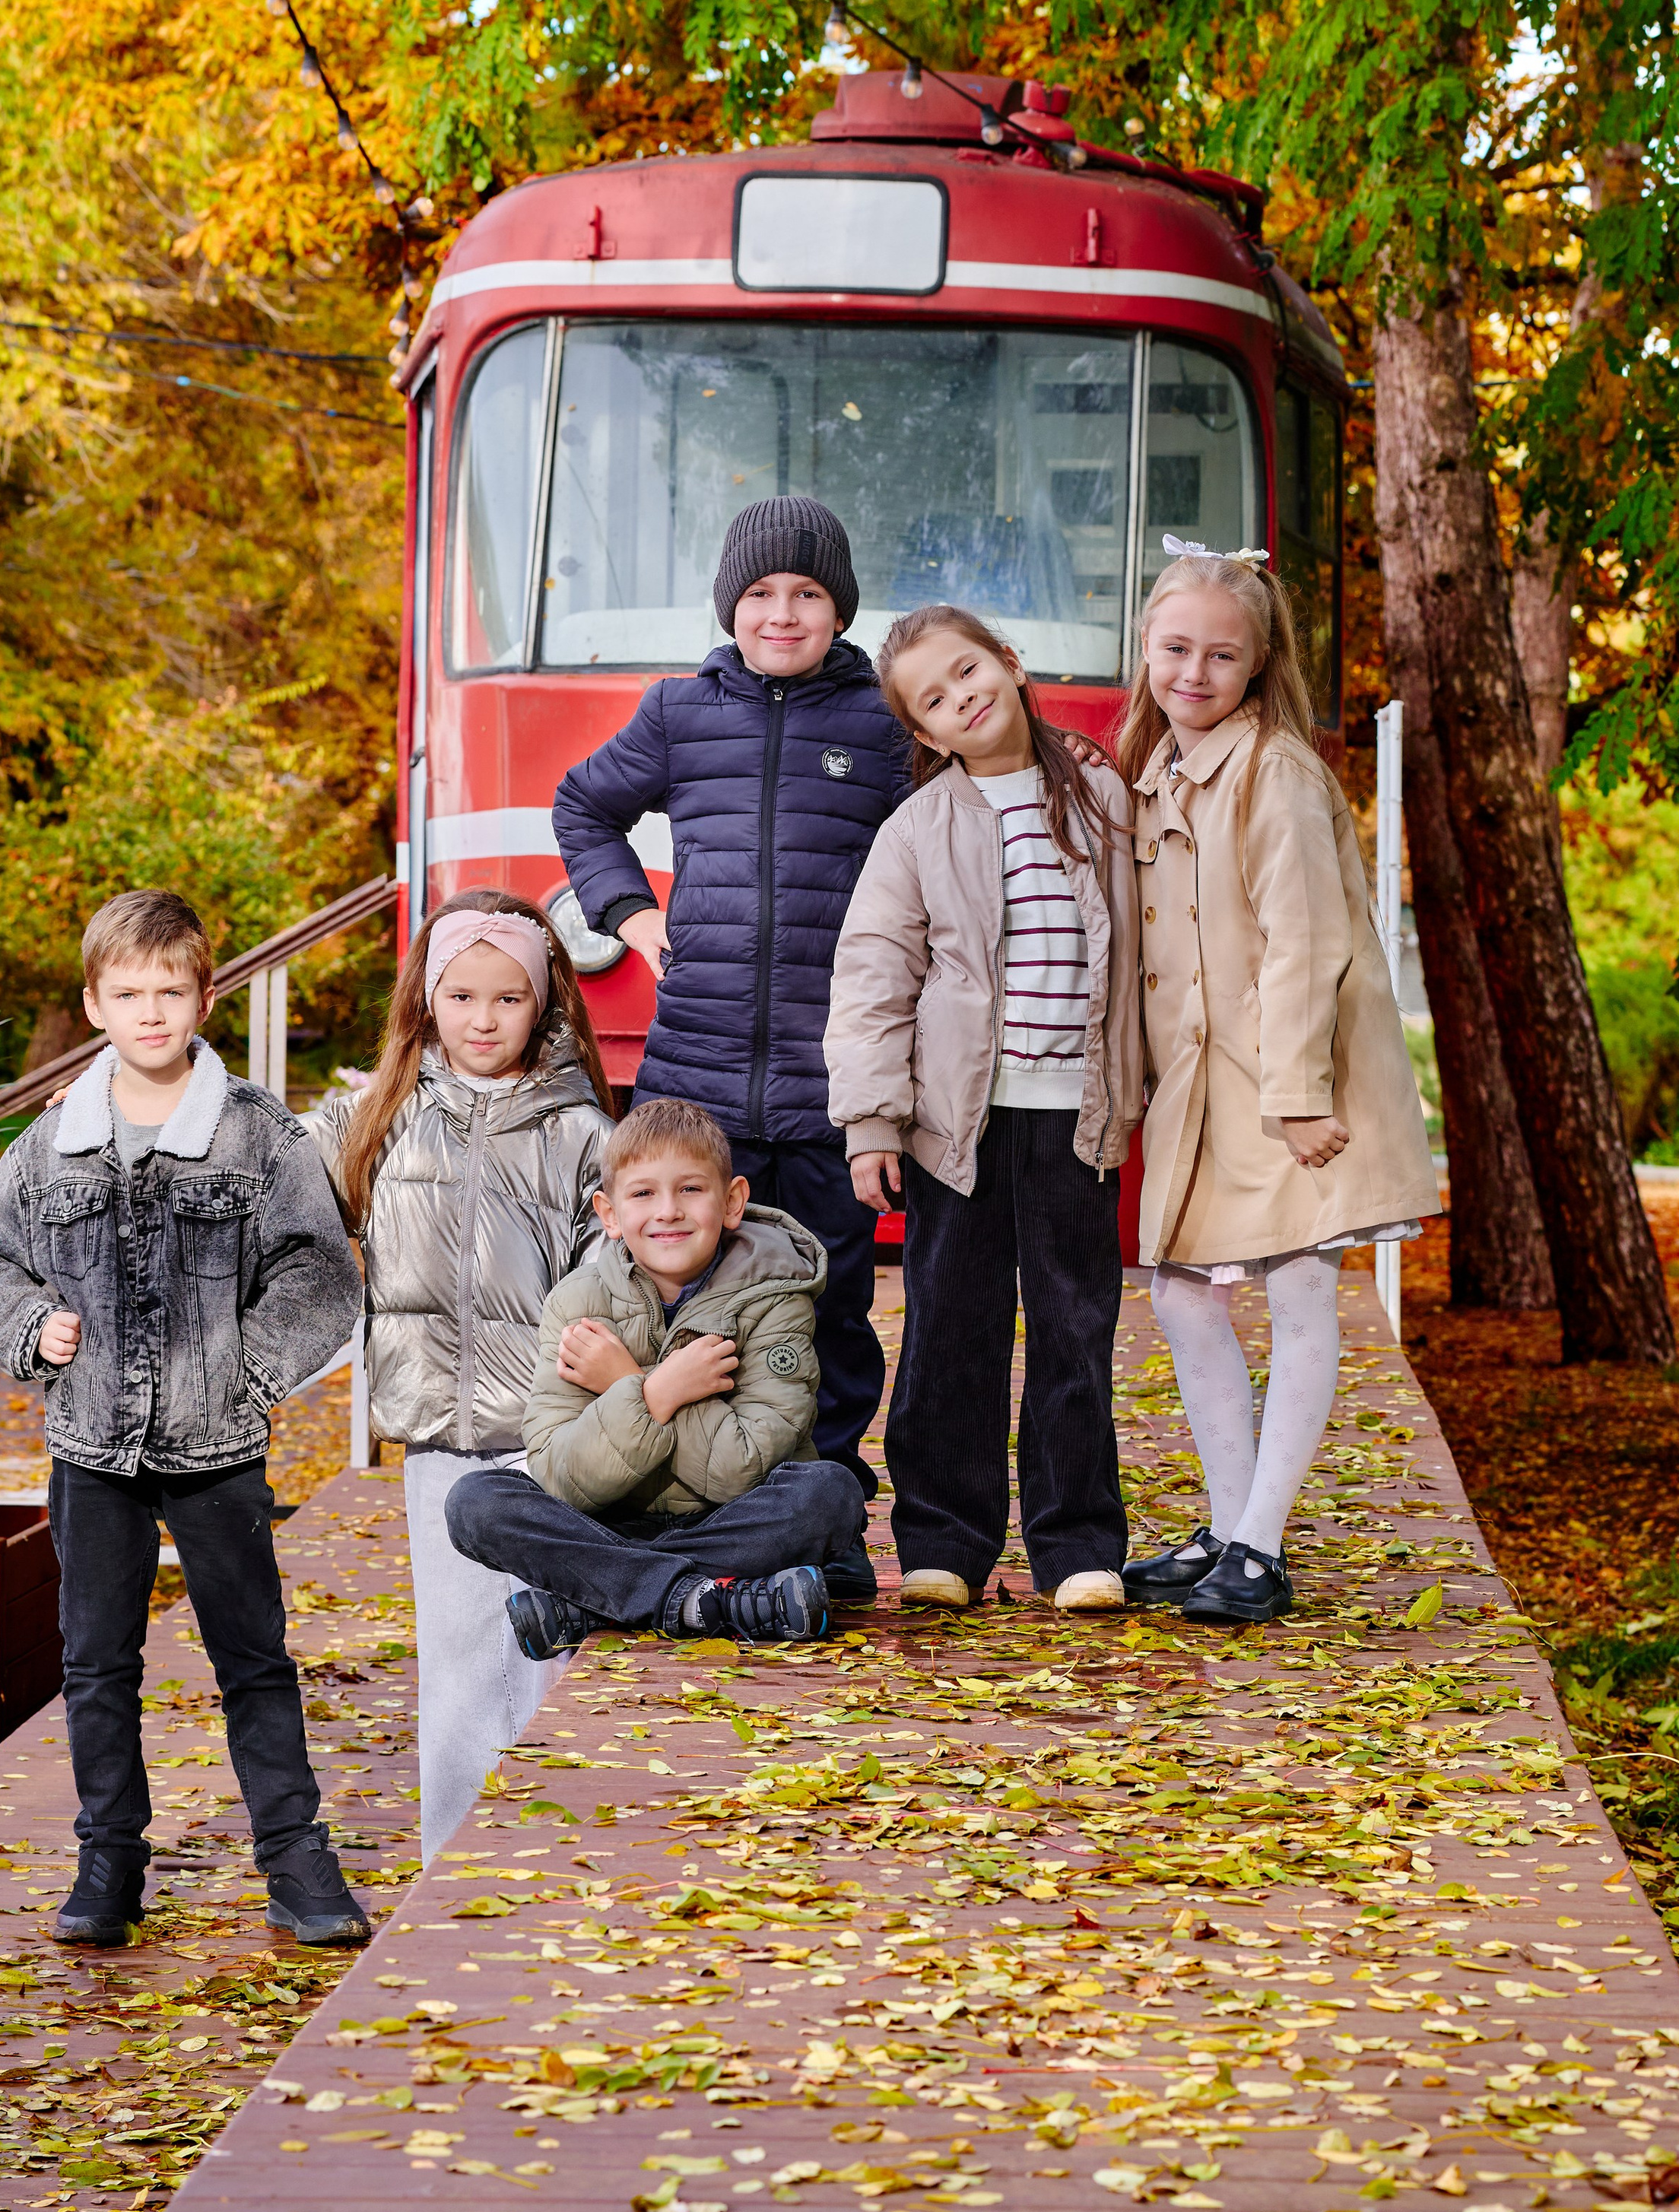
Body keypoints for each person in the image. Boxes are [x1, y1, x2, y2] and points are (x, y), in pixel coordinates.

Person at [0, 888, 367, 1950]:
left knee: (253, 1655)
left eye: (169, 991)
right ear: (94, 1003)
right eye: (127, 993)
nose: (149, 1012)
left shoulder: (257, 1138)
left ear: (204, 995)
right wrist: (33, 1323)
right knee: (97, 1660)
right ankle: (110, 1858)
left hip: (216, 1445)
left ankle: (293, 1856)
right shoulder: (55, 1143)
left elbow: (318, 1274)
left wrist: (248, 1374)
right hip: (93, 1447)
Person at [552, 497, 907, 1601]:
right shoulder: (677, 713)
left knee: (832, 1305)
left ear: (839, 608)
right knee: (684, 1301)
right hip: (695, 1081)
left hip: (829, 1079)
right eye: (761, 594)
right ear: (732, 606)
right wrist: (631, 914)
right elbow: (583, 806)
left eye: (807, 595)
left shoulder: (885, 724)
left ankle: (828, 1517)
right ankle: (691, 1513)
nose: (783, 613)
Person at [1117, 541, 1442, 1623]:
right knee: (1181, 1293)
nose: (1194, 673)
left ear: (1260, 666)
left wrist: (1299, 1096)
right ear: (1148, 648)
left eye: (1222, 656)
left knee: (1301, 1289)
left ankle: (1259, 1546)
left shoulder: (1278, 771)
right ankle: (1231, 1522)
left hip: (1290, 1084)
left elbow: (1310, 944)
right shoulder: (1156, 765)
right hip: (1205, 1086)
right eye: (1175, 649)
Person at [827, 605, 1142, 1614]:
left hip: (1076, 1116)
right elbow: (875, 976)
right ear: (926, 734)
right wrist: (873, 1121)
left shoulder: (1102, 798)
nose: (962, 695)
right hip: (955, 1127)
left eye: (970, 671)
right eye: (935, 698)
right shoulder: (920, 829)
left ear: (1009, 663)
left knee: (1072, 1327)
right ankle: (945, 1542)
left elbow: (1151, 953)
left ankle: (1076, 1544)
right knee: (952, 1329)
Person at [306, 892, 614, 1855]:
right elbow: (252, 1162)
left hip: (554, 1446)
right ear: (427, 1001)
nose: (484, 1020)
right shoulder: (377, 1119)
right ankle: (451, 1866)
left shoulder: (583, 1133)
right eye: (463, 997)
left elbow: (623, 1270)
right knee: (455, 1663)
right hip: (440, 1443)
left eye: (509, 999)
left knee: (547, 1655)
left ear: (547, 1004)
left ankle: (545, 1863)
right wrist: (121, 1095)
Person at [444, 1096, 867, 1653]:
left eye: (691, 1189)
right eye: (643, 1193)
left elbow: (745, 1469)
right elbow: (562, 1474)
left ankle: (601, 1599)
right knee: (476, 1503)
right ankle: (717, 1599)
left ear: (733, 1201)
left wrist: (630, 1383)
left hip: (734, 1522)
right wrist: (656, 1391)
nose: (668, 1211)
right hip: (609, 1528)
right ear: (610, 1214)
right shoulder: (577, 1303)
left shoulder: (776, 1300)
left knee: (830, 1493)